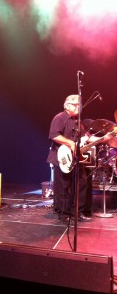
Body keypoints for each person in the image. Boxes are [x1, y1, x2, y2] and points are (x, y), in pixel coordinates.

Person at [47, 94, 111, 223]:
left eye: (79, 105)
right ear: (67, 106)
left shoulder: (79, 122)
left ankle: (77, 212)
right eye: (76, 105)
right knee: (64, 187)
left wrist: (104, 138)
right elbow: (54, 135)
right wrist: (70, 143)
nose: (79, 107)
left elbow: (87, 139)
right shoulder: (60, 118)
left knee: (82, 184)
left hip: (76, 159)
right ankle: (64, 213)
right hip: (62, 157)